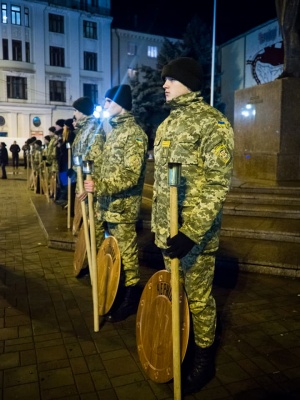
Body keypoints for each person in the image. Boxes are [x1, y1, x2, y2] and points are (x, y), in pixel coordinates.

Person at [151, 57, 234, 395]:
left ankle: (203, 357)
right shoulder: (165, 125)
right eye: (164, 80)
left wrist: (191, 232)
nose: (164, 85)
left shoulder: (213, 124)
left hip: (194, 238)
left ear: (187, 81)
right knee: (175, 295)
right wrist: (162, 229)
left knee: (198, 300)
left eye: (170, 79)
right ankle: (178, 346)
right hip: (166, 234)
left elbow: (217, 186)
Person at [84, 84, 148, 322]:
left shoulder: (135, 134)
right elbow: (104, 167)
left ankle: (131, 298)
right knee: (114, 253)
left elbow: (130, 176)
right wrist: (91, 185)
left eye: (109, 101)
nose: (105, 106)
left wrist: (99, 185)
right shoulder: (114, 133)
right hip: (107, 206)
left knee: (129, 256)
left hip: (123, 208)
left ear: (121, 104)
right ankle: (116, 291)